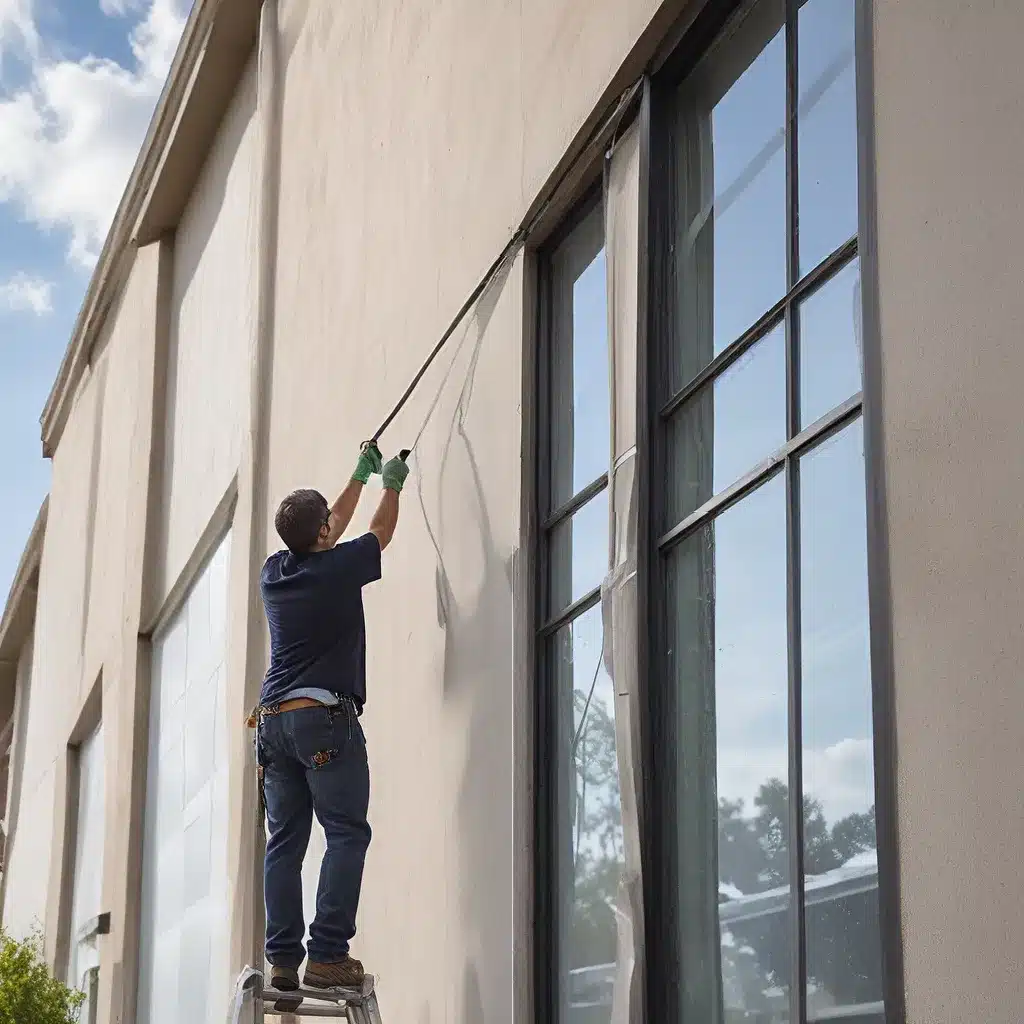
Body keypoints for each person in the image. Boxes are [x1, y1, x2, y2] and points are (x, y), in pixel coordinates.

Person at [253, 442, 408, 997]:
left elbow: (332, 525)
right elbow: (377, 534)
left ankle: (283, 959)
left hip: (274, 725)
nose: (331, 530)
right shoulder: (339, 569)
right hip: (324, 722)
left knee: (285, 843)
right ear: (321, 536)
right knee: (345, 832)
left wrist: (356, 474)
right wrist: (391, 483)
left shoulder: (276, 572)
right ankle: (328, 954)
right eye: (326, 526)